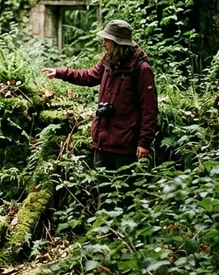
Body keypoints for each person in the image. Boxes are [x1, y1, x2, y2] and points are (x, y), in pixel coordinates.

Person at [43, 20, 158, 170]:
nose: (103, 43)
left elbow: (150, 109)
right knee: (102, 188)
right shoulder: (108, 61)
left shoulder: (141, 69)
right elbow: (88, 76)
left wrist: (144, 142)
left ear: (118, 43)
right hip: (103, 140)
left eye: (107, 40)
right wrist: (60, 72)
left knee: (124, 190)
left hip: (125, 144)